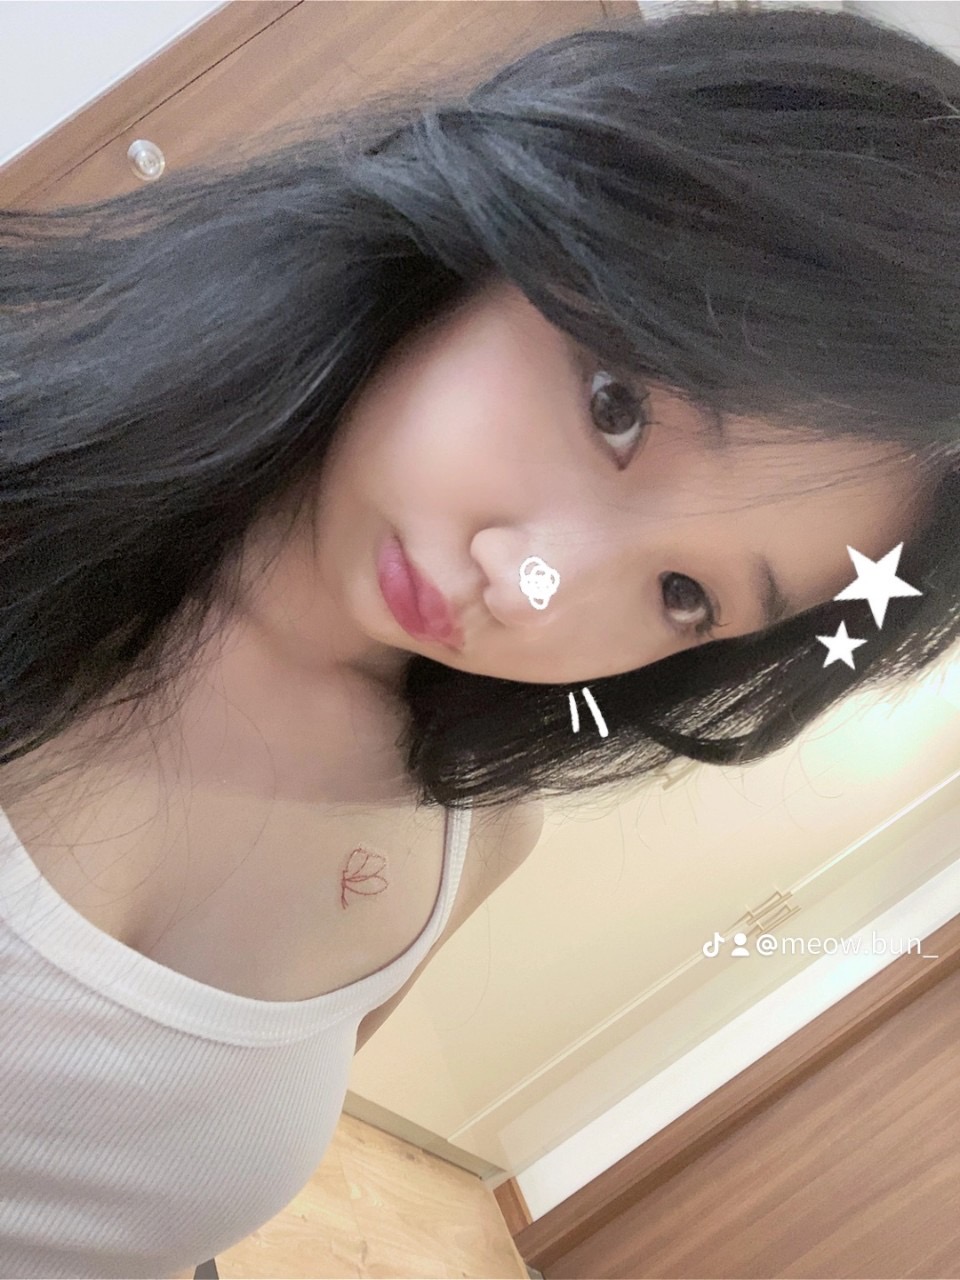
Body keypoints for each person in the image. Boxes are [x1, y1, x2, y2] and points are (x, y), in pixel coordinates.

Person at [1, 3, 958, 1276]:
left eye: (684, 592)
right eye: (615, 406)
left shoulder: (472, 835)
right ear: (515, 213)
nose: (534, 588)